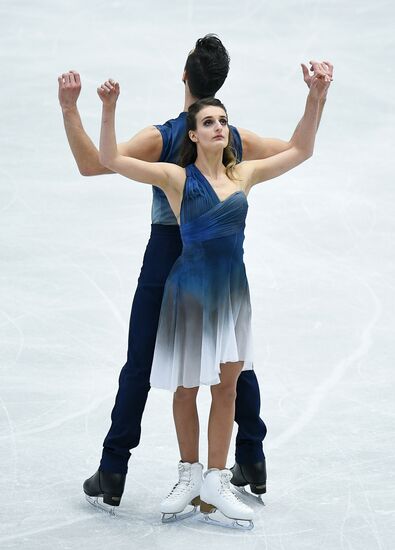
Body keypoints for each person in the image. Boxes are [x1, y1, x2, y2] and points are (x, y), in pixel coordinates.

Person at [58, 35, 332, 512]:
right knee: (232, 359)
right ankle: (251, 457)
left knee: (145, 359)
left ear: (184, 76)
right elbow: (294, 144)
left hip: (169, 253)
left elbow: (92, 163)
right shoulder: (236, 139)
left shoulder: (165, 136)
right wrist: (314, 97)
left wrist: (71, 109)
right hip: (218, 260)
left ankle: (115, 467)